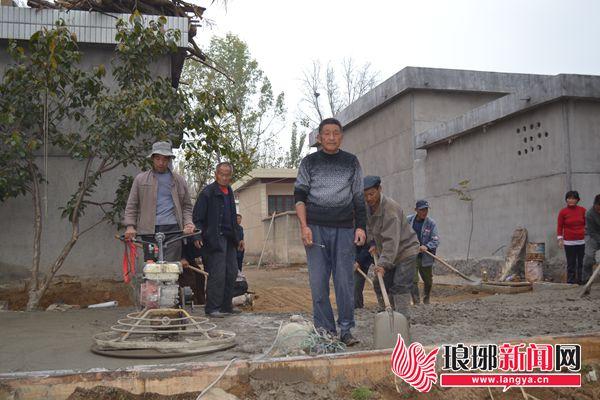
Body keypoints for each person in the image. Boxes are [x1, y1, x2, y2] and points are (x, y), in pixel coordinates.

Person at [294, 117, 367, 346]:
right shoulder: (309, 162)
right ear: (319, 137)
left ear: (341, 136)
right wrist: (304, 227)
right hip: (315, 229)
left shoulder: (351, 162)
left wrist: (361, 227)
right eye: (327, 133)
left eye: (336, 133)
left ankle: (346, 329)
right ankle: (325, 331)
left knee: (345, 282)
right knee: (318, 283)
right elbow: (299, 197)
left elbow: (358, 198)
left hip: (344, 229)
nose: (332, 137)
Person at [123, 141, 195, 263]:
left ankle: (169, 282)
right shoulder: (141, 179)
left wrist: (188, 223)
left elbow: (187, 206)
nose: (161, 163)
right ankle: (151, 283)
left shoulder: (179, 180)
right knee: (151, 268)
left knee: (170, 268)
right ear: (152, 159)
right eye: (158, 159)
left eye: (165, 159)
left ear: (170, 160)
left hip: (174, 230)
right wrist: (130, 226)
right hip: (149, 231)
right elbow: (132, 205)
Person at [363, 175, 420, 320]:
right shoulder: (368, 207)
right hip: (389, 253)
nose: (368, 198)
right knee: (379, 284)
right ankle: (387, 316)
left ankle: (402, 320)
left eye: (371, 194)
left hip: (405, 251)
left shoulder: (390, 210)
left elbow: (391, 240)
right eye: (365, 195)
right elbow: (369, 227)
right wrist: (373, 243)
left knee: (400, 286)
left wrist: (383, 264)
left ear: (380, 190)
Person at [193, 162, 241, 318]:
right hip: (214, 239)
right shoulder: (208, 193)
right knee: (217, 273)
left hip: (230, 238)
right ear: (216, 174)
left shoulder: (230, 191)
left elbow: (233, 218)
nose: (225, 177)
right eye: (222, 174)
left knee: (232, 272)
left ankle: (226, 306)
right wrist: (197, 235)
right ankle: (212, 308)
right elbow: (197, 218)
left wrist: (239, 237)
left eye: (228, 175)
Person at [407, 200, 440, 304]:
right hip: (412, 254)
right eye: (422, 210)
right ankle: (416, 302)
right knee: (413, 279)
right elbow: (402, 233)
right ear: (416, 210)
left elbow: (436, 240)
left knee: (428, 280)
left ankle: (426, 298)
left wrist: (427, 246)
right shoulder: (408, 220)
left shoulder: (431, 223)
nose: (424, 212)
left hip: (425, 256)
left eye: (426, 209)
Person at [556, 191, 587, 284]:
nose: (571, 200)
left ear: (577, 200)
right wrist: (560, 239)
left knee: (581, 262)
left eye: (573, 198)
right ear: (566, 200)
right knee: (571, 262)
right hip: (569, 242)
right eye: (569, 198)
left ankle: (580, 280)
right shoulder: (563, 212)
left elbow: (587, 224)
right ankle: (571, 281)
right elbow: (560, 226)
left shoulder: (583, 210)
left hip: (581, 241)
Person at [583, 194, 600, 283]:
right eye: (598, 208)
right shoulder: (589, 214)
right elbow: (592, 232)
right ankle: (587, 281)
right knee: (588, 258)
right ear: (595, 205)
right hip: (592, 235)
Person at [354, 243, 374, 309]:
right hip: (353, 257)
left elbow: (367, 245)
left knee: (356, 284)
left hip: (363, 258)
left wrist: (359, 261)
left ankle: (357, 306)